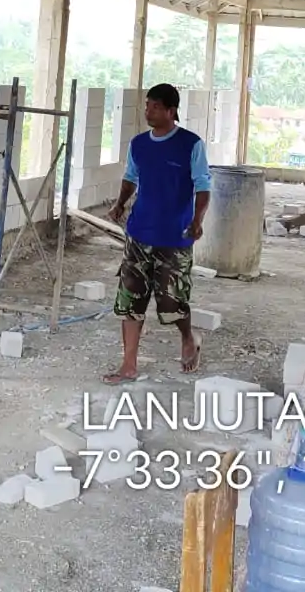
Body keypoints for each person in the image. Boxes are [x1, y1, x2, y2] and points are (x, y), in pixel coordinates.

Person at [103, 83, 211, 383]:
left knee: (172, 303)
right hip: (139, 234)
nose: (148, 111)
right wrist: (120, 204)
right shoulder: (139, 144)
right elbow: (130, 177)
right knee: (131, 299)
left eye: (155, 107)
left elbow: (203, 186)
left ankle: (188, 337)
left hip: (175, 237)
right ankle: (128, 364)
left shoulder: (191, 144)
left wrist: (197, 220)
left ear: (171, 111)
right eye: (147, 105)